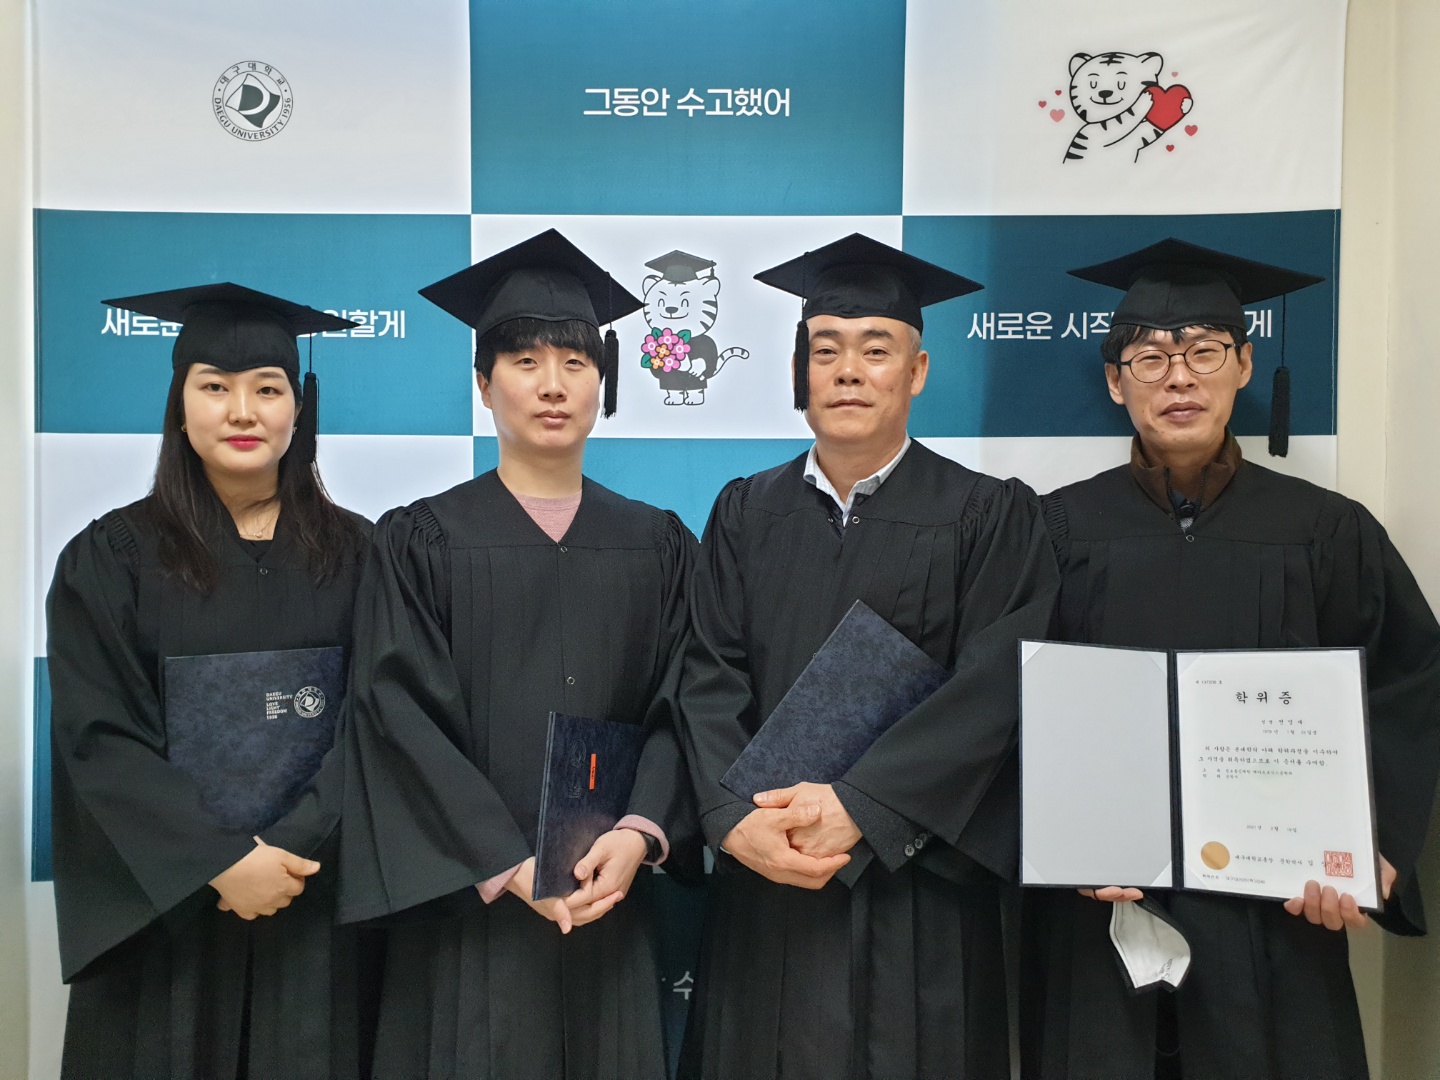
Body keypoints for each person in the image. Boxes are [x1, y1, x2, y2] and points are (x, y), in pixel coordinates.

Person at [1020, 239, 1440, 1080]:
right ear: (1116, 382)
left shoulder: (1325, 530)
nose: (1179, 378)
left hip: (1275, 915)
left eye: (1205, 351)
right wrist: (1056, 842)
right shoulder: (1055, 529)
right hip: (1101, 911)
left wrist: (1374, 847)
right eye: (1150, 357)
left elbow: (1409, 680)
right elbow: (1004, 699)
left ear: (1245, 365)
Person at [676, 233, 1060, 1079]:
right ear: (798, 372)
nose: (848, 371)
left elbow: (995, 687)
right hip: (767, 883)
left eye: (875, 350)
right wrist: (734, 820)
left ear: (916, 372)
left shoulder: (988, 516)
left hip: (917, 893)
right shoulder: (745, 513)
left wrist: (864, 804)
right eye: (826, 350)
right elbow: (706, 674)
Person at [336, 229, 701, 1080]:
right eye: (525, 361)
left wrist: (639, 834)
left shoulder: (658, 545)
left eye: (575, 362)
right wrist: (506, 861)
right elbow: (395, 714)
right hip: (470, 913)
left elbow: (686, 703)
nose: (552, 384)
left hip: (610, 902)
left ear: (604, 382)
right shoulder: (421, 541)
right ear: (483, 384)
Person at [47, 284, 377, 1079]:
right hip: (170, 917)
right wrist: (217, 861)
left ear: (299, 408)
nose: (242, 411)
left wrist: (291, 847)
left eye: (267, 388)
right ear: (180, 405)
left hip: (316, 903)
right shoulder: (110, 560)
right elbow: (99, 737)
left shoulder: (364, 558)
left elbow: (378, 718)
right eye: (215, 387)